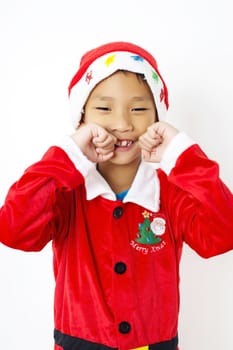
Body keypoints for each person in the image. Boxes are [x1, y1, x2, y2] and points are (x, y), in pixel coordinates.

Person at [0, 41, 233, 350]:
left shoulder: (172, 193)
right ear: (81, 119)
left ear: (157, 118)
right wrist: (66, 155)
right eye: (104, 108)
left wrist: (183, 155)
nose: (123, 124)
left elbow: (223, 233)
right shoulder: (65, 192)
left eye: (138, 109)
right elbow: (14, 229)